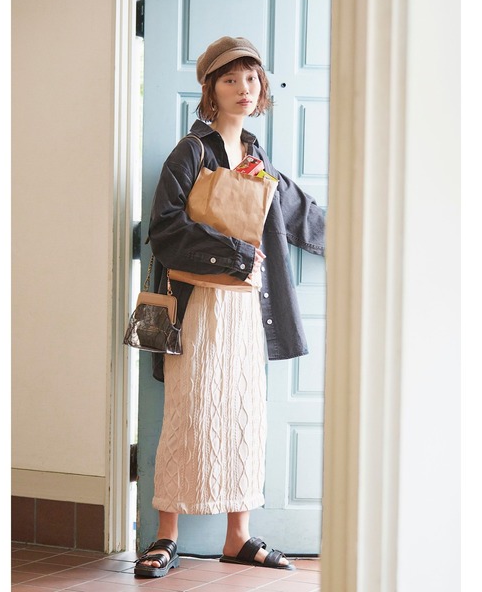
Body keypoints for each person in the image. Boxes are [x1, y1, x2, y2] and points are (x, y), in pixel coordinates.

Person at [134, 36, 326, 578]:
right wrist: (238, 254)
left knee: (244, 413)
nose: (244, 88)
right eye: (229, 79)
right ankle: (166, 536)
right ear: (210, 90)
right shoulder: (191, 151)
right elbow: (165, 229)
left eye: (251, 77)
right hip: (198, 305)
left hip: (247, 312)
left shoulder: (257, 157)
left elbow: (295, 210)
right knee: (187, 412)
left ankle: (238, 537)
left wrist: (361, 233)